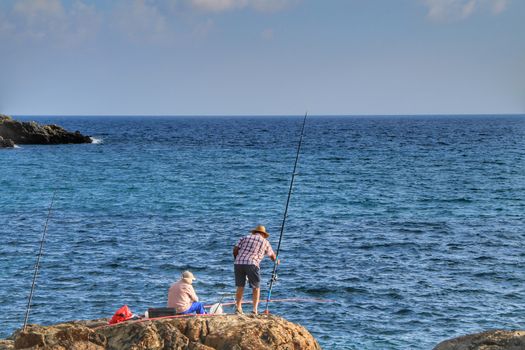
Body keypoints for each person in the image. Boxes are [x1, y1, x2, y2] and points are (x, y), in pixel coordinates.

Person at [233, 225, 279, 315]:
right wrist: (277, 260)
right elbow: (273, 257)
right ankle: (254, 310)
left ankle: (238, 308)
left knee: (240, 286)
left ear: (255, 232)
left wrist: (237, 259)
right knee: (256, 287)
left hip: (238, 263)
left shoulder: (244, 237)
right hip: (252, 264)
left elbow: (235, 250)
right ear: (263, 234)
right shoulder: (265, 242)